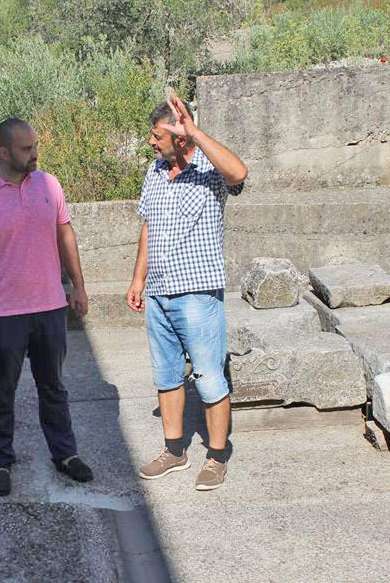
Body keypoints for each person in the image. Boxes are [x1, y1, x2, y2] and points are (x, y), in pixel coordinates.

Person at [0, 118, 94, 496]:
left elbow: (65, 234)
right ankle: (0, 461)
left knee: (54, 387)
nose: (34, 154)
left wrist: (78, 286)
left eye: (35, 146)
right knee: (1, 391)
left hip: (50, 306)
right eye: (26, 148)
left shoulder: (49, 185)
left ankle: (65, 454)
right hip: (2, 314)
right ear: (3, 152)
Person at [126, 95, 247, 491]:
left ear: (180, 138)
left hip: (196, 293)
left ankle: (217, 456)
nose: (150, 141)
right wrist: (138, 279)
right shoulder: (155, 171)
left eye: (157, 135)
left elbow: (240, 172)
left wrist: (195, 132)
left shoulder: (209, 169)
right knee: (166, 375)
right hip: (158, 292)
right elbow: (148, 226)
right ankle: (174, 450)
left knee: (209, 377)